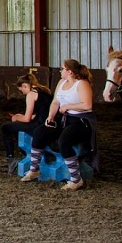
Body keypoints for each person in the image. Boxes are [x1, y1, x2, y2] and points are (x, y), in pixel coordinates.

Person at [21, 59, 97, 191]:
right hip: (64, 118)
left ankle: (76, 179)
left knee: (64, 141)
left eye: (62, 69)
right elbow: (55, 102)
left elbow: (87, 105)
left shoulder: (82, 84)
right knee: (39, 132)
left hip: (81, 121)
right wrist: (50, 116)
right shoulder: (61, 83)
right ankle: (34, 170)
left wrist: (68, 106)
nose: (60, 71)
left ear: (70, 72)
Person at [1, 73, 53, 174]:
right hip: (47, 123)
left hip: (39, 125)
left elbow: (27, 119)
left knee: (5, 127)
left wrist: (16, 117)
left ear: (25, 85)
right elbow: (42, 112)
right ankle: (23, 153)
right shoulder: (43, 91)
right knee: (17, 126)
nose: (23, 93)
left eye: (22, 90)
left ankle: (10, 158)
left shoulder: (31, 94)